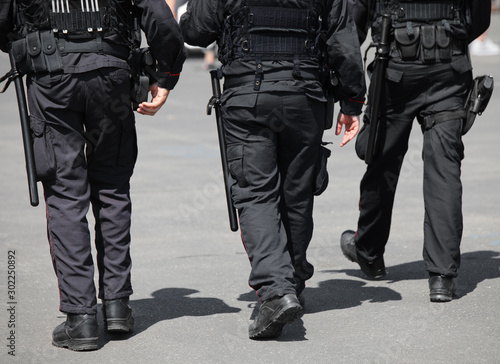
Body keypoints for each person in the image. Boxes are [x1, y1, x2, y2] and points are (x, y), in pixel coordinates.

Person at [0, 0, 185, 351]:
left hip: (51, 78)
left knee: (65, 193)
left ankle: (81, 318)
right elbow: (160, 18)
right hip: (111, 76)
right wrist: (166, 77)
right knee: (113, 186)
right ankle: (117, 305)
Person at [180, 0, 365, 339]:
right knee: (297, 194)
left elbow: (196, 31)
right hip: (305, 96)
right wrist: (352, 101)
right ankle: (291, 280)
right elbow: (343, 37)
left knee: (255, 194)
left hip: (248, 96)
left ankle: (277, 292)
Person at [340, 0, 490, 302]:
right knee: (443, 170)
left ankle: (368, 252)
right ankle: (442, 277)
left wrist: (346, 85)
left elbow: (354, 20)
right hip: (449, 68)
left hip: (396, 69)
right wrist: (446, 36)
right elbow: (481, 17)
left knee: (383, 161)